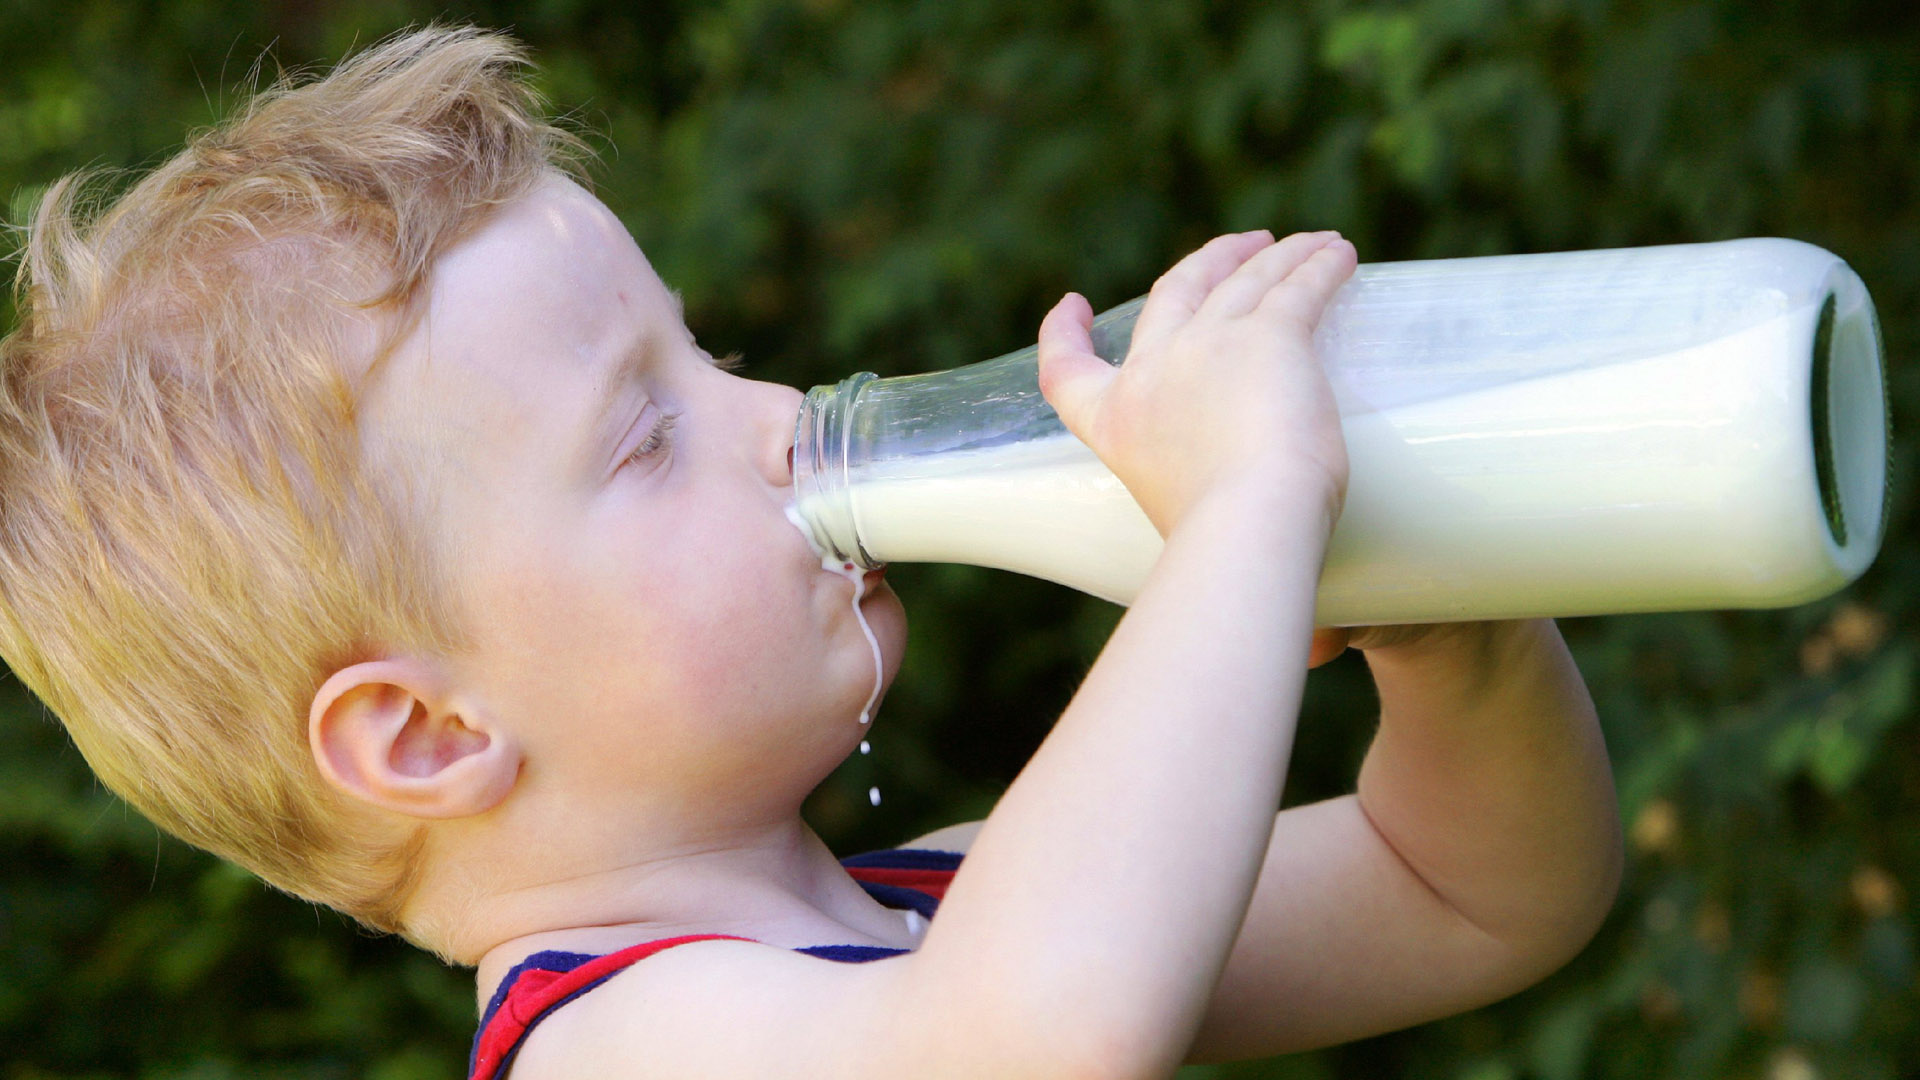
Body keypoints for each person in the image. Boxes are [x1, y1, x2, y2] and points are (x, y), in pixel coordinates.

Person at [0, 25, 1622, 1080]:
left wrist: (1441, 637)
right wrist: (1246, 510)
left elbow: (1475, 889)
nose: (778, 415)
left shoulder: (935, 912)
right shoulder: (612, 1046)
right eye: (644, 434)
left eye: (703, 356)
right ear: (429, 735)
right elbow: (1035, 1039)